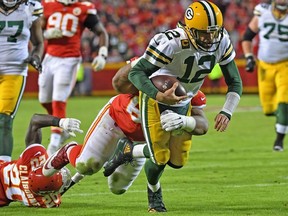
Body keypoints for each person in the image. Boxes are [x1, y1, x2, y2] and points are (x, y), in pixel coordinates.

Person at [104, 1, 242, 212]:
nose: (209, 38)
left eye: (213, 32)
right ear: (188, 29)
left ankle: (130, 150)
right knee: (160, 157)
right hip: (156, 98)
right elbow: (136, 73)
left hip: (185, 99)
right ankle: (154, 193)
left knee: (178, 161)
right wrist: (159, 94)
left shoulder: (221, 41)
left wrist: (227, 110)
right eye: (203, 33)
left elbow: (235, 81)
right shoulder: (172, 42)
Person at [41, 58, 209, 201]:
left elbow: (202, 124)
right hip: (116, 120)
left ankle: (127, 151)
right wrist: (138, 63)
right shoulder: (150, 70)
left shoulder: (191, 91)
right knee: (86, 166)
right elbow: (118, 83)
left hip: (141, 139)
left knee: (117, 188)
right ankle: (67, 150)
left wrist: (185, 120)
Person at [39, 0, 109, 155]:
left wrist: (102, 54)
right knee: (44, 99)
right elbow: (37, 28)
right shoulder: (49, 4)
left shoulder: (83, 8)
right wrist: (45, 34)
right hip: (49, 58)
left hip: (70, 59)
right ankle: (61, 125)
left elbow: (101, 32)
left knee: (59, 100)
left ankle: (54, 143)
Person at [0, 113, 83, 207]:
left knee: (4, 124)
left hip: (2, 169)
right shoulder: (36, 200)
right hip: (2, 196)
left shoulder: (33, 157)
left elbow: (35, 120)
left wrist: (60, 122)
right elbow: (53, 194)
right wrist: (74, 180)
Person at [0, 0, 44, 163]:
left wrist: (35, 57)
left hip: (14, 70)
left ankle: (2, 168)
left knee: (4, 120)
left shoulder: (31, 8)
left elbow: (38, 43)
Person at [242, 0, 288, 152]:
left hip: (285, 65)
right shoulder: (262, 11)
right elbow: (247, 37)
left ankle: (279, 140)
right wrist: (249, 57)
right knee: (268, 109)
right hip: (265, 66)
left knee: (284, 102)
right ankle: (283, 117)